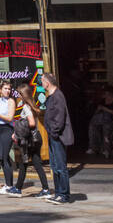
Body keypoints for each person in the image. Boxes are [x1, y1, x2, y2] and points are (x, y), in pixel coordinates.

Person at [11, 85, 52, 198]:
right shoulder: (32, 105)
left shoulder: (26, 107)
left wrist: (18, 127)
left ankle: (19, 189)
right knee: (36, 164)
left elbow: (32, 123)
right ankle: (44, 189)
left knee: (25, 163)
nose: (18, 96)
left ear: (23, 95)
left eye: (19, 94)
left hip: (30, 139)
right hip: (36, 138)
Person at [41, 72, 75, 205]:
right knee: (54, 166)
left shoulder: (58, 96)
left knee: (61, 166)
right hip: (53, 136)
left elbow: (60, 117)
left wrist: (54, 133)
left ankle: (64, 195)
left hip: (58, 137)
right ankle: (58, 193)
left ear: (47, 83)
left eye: (42, 81)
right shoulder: (52, 97)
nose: (41, 84)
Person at [87, 84, 113, 158]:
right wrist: (99, 109)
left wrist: (105, 109)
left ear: (110, 93)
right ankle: (94, 148)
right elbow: (96, 113)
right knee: (93, 126)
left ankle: (106, 149)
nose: (104, 95)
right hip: (101, 121)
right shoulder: (103, 101)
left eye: (106, 93)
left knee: (106, 125)